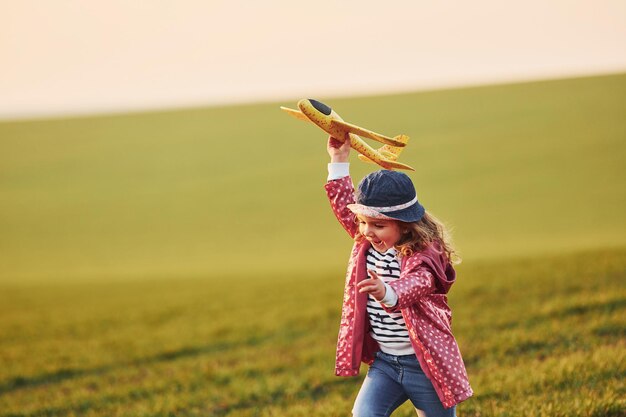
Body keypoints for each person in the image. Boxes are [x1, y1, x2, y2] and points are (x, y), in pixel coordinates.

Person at [324, 136, 472, 417]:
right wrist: (339, 160)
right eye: (364, 222)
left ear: (405, 226)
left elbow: (416, 284)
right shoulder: (365, 242)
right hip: (385, 365)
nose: (367, 231)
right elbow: (345, 207)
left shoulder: (426, 255)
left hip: (426, 365)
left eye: (378, 225)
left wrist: (386, 292)